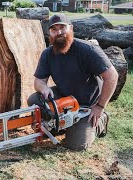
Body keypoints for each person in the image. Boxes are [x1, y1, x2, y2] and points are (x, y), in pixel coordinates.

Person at [27, 13, 119, 151]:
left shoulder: (87, 50)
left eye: (62, 28)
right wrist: (44, 88)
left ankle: (100, 120)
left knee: (76, 145)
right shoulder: (47, 54)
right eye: (54, 29)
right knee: (35, 99)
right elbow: (39, 81)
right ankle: (60, 125)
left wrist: (100, 106)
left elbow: (112, 76)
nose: (59, 33)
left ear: (71, 28)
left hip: (88, 105)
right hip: (65, 99)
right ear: (49, 33)